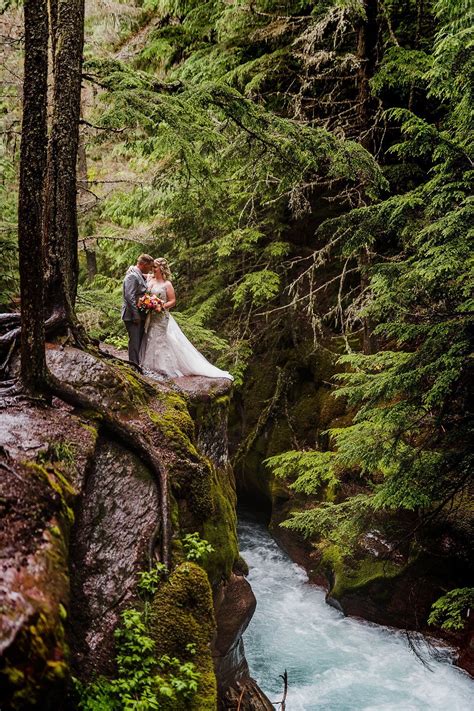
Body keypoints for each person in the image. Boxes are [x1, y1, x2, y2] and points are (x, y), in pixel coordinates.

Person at [139, 257, 233, 380]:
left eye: (155, 267)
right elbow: (139, 273)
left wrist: (161, 306)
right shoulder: (150, 279)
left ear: (161, 269)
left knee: (159, 339)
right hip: (151, 316)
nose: (153, 268)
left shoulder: (167, 284)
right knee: (150, 337)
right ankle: (150, 366)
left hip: (161, 316)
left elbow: (173, 301)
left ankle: (163, 367)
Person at [121, 254, 154, 366]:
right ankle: (133, 366)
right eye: (149, 266)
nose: (150, 269)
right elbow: (129, 297)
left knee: (138, 341)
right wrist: (136, 315)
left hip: (138, 314)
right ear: (143, 264)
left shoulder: (138, 274)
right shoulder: (132, 276)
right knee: (134, 342)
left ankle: (136, 364)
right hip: (131, 315)